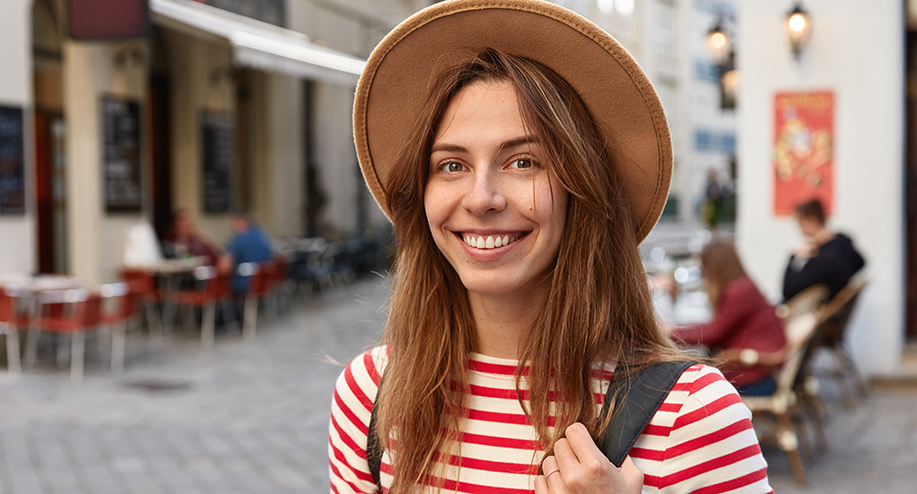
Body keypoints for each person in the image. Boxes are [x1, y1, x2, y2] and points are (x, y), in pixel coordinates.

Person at [329, 2, 772, 493]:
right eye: (451, 165)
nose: (481, 199)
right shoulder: (372, 395)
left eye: (523, 162)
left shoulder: (692, 416)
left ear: (579, 191)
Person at [671, 241, 787, 396]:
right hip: (761, 366)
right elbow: (716, 327)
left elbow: (714, 333)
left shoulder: (738, 292)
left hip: (756, 374)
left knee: (684, 386)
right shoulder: (742, 284)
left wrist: (671, 333)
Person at [782, 198, 865, 301]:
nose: (800, 230)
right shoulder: (843, 247)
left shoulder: (825, 259)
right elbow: (862, 262)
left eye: (800, 224)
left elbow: (788, 290)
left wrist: (794, 257)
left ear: (811, 222)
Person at [223, 211, 274, 294]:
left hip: (246, 283)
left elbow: (225, 266)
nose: (233, 227)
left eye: (234, 223)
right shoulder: (262, 235)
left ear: (241, 222)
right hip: (264, 282)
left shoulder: (240, 238)